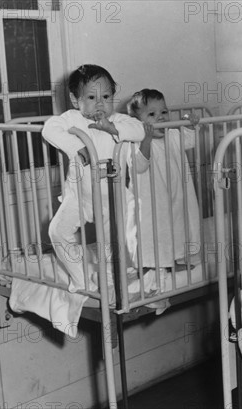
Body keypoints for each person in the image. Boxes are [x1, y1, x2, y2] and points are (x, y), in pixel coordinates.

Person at [42, 64, 145, 292]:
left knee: (110, 243)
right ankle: (81, 280)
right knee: (57, 232)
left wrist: (113, 128)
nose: (100, 103)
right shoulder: (71, 118)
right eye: (91, 96)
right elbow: (49, 129)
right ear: (74, 99)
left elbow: (139, 130)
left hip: (111, 196)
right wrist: (76, 146)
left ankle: (109, 282)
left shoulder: (118, 119)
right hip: (79, 195)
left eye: (106, 96)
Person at [125, 89, 201, 270]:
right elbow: (139, 165)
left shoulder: (173, 135)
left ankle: (177, 260)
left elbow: (190, 141)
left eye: (164, 112)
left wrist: (191, 125)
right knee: (152, 233)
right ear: (138, 123)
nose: (161, 118)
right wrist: (146, 140)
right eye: (152, 114)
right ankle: (148, 265)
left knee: (177, 227)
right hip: (152, 203)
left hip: (176, 196)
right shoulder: (135, 143)